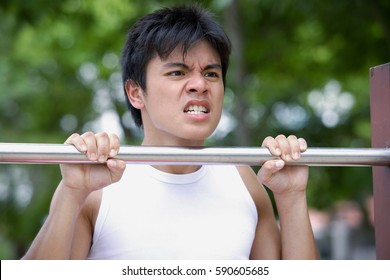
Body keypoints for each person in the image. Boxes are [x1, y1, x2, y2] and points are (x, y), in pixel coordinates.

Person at [22, 5, 318, 260]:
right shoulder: (96, 189)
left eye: (211, 74)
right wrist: (71, 194)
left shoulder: (244, 181)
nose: (200, 85)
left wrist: (292, 198)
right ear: (136, 93)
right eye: (178, 72)